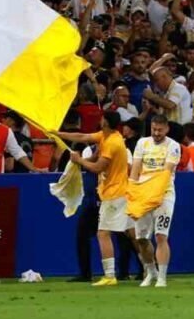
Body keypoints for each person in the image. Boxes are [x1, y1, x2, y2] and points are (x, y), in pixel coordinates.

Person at [53, 111, 131, 287]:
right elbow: (82, 136)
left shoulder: (112, 143)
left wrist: (79, 160)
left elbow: (97, 168)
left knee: (103, 233)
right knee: (130, 234)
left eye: (102, 118)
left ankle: (110, 275)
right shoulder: (108, 136)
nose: (100, 120)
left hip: (114, 193)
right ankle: (150, 270)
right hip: (116, 192)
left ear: (105, 122)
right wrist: (58, 134)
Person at [128, 114, 182, 288]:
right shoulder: (142, 143)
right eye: (154, 129)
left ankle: (162, 277)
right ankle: (151, 272)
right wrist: (132, 190)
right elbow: (135, 168)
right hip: (142, 194)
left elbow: (166, 172)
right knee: (141, 239)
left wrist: (155, 194)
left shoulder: (173, 146)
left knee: (160, 235)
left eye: (160, 130)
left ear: (167, 129)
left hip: (163, 194)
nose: (156, 133)